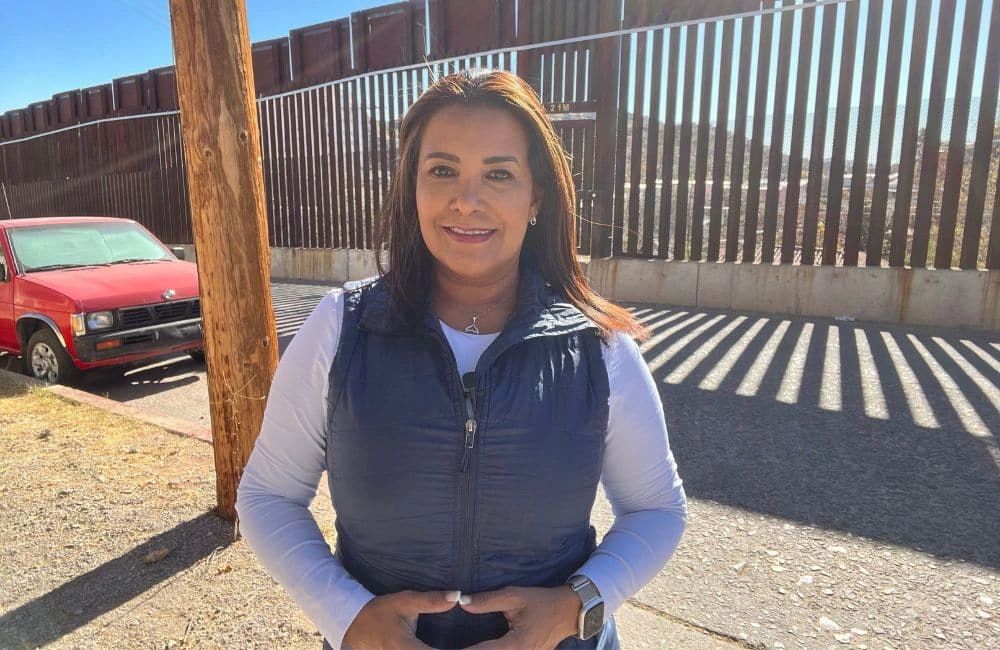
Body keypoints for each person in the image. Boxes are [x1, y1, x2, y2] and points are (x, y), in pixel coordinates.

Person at [236, 69, 687, 649]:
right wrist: (348, 617)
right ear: (413, 187)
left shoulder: (598, 346)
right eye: (442, 170)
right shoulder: (341, 327)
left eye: (499, 174)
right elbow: (269, 495)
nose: (466, 200)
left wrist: (577, 605)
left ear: (536, 196)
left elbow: (656, 509)